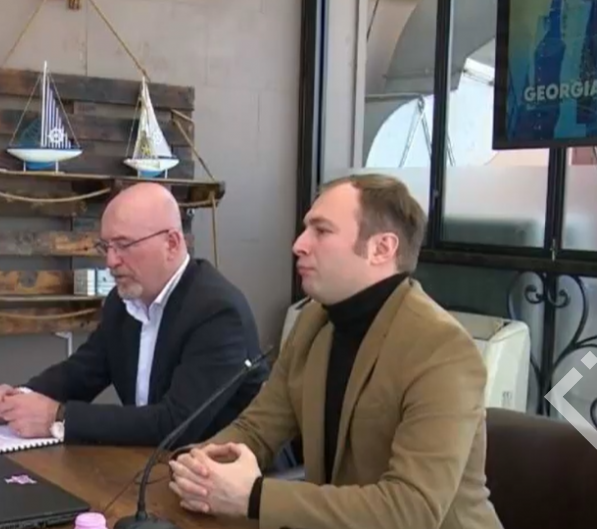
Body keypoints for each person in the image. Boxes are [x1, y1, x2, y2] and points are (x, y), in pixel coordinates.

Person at [167, 174, 503, 529]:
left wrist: (255, 497)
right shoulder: (314, 321)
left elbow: (411, 510)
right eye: (305, 229)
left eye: (322, 231)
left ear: (382, 249)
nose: (299, 244)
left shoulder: (442, 348)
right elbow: (257, 428)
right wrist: (198, 466)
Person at [0, 182, 267, 448]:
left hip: (220, 474)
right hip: (146, 466)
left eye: (124, 245)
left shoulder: (217, 312)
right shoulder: (122, 303)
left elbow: (176, 424)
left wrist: (58, 418)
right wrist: (20, 397)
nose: (110, 261)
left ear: (171, 243)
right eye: (106, 246)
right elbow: (82, 373)